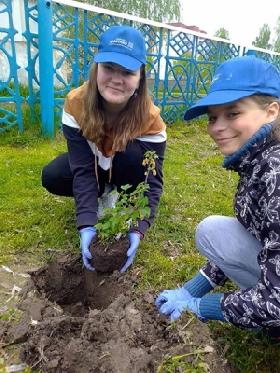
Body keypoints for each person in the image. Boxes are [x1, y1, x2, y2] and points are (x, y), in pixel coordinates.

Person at [155, 55, 280, 339]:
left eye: (233, 113)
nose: (217, 127)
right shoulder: (257, 161)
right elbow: (257, 236)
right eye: (213, 117)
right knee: (214, 230)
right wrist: (192, 288)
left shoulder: (276, 171)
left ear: (271, 111)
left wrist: (202, 306)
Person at [42, 25, 166, 272]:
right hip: (94, 163)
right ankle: (104, 193)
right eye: (109, 67)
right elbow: (82, 169)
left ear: (140, 78)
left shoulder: (151, 120)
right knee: (53, 174)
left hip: (125, 169)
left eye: (128, 72)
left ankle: (120, 195)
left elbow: (152, 182)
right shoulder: (75, 104)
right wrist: (87, 225)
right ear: (96, 68)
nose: (117, 79)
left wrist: (138, 229)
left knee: (133, 155)